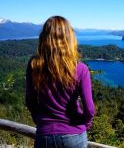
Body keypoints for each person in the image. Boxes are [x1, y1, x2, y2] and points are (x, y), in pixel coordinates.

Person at [25, 16, 95, 148]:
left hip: (45, 135)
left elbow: (30, 101)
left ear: (44, 37)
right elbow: (89, 109)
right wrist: (85, 124)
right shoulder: (80, 69)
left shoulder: (34, 65)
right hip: (74, 134)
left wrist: (39, 120)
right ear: (69, 38)